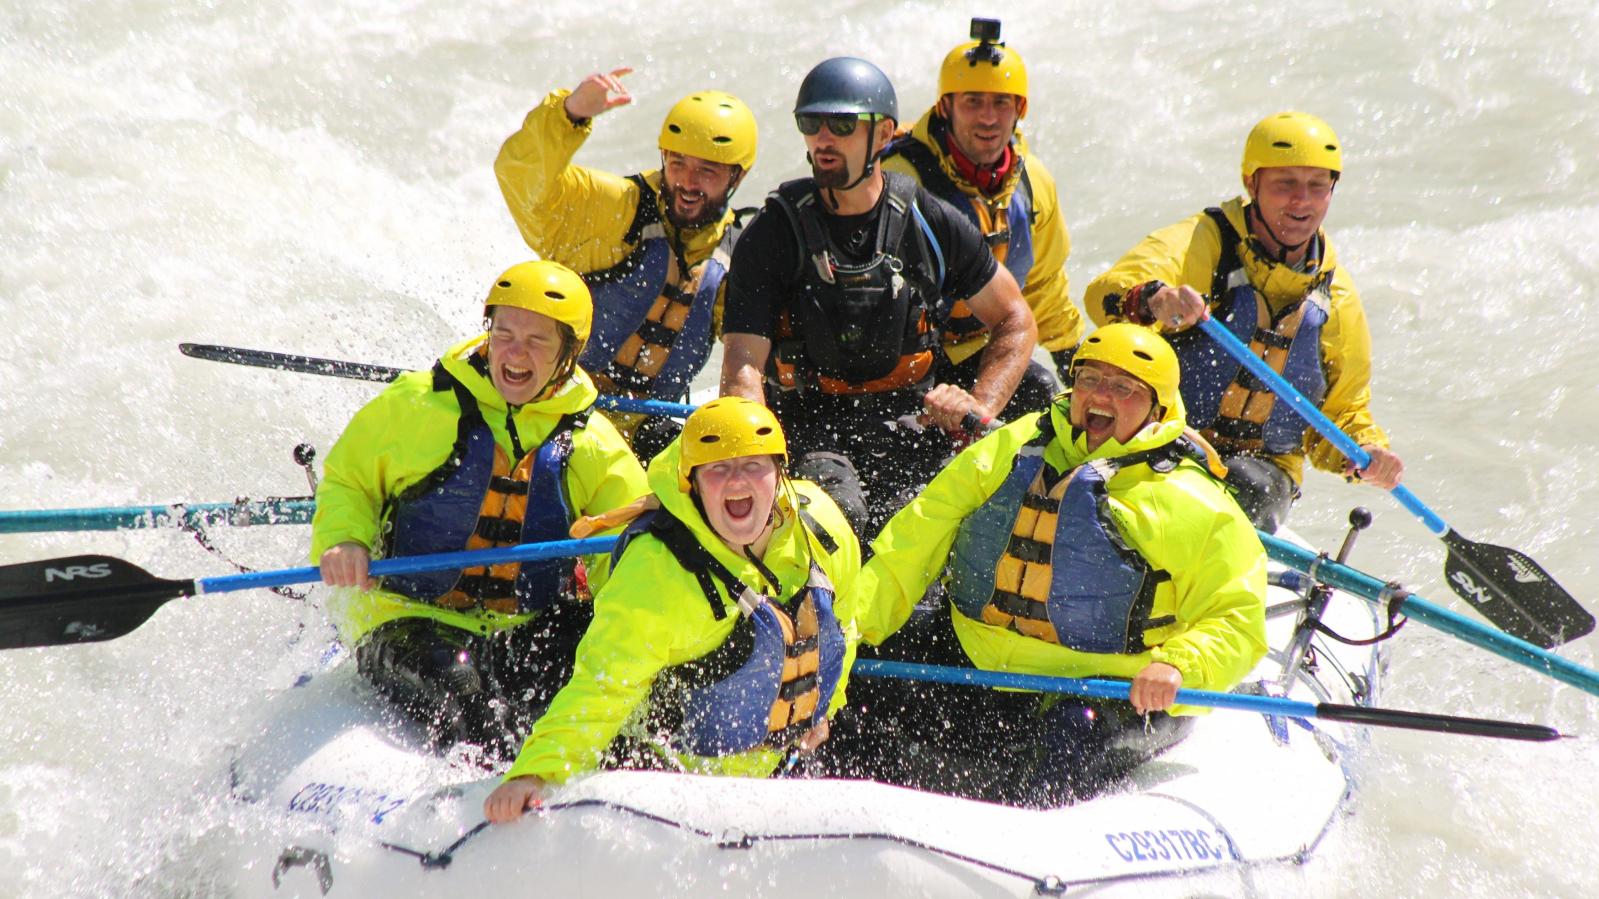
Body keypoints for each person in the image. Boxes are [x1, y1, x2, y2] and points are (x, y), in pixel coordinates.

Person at [826, 324, 1268, 806]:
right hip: (981, 652)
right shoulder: (1011, 447)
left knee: (1067, 741)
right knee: (851, 686)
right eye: (1090, 380)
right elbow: (908, 550)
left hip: (1109, 685)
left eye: (1124, 388)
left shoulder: (1192, 500)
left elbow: (1238, 617)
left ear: (1157, 409)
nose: (1102, 396)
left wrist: (1179, 665)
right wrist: (845, 633)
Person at [313, 261, 647, 754]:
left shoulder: (595, 444)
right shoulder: (419, 406)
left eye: (537, 341)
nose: (513, 352)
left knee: (617, 676)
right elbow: (348, 481)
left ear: (569, 354)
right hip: (404, 617)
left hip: (522, 628)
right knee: (466, 693)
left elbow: (630, 551)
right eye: (504, 333)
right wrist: (345, 538)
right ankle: (497, 798)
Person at [483, 397, 861, 823]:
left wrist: (827, 706)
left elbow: (844, 624)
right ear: (692, 482)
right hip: (668, 772)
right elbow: (602, 688)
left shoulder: (824, 531)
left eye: (754, 465)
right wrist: (537, 772)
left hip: (772, 768)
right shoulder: (655, 576)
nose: (737, 481)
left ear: (779, 474)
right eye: (718, 468)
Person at [720, 56, 1037, 536]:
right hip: (808, 428)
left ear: (884, 134)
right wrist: (754, 461)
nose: (823, 139)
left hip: (914, 421)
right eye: (812, 124)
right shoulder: (773, 232)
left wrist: (978, 407)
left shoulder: (928, 219)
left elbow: (1016, 319)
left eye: (842, 125)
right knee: (839, 516)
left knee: (932, 529)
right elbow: (743, 365)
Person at [1083, 111, 1402, 532]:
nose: (1301, 201)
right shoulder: (1203, 241)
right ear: (1252, 183)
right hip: (1163, 436)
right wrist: (1155, 299)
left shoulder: (1337, 302)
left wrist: (1366, 451)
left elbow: (1341, 415)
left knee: (1250, 485)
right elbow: (1107, 292)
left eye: (1316, 186)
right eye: (1285, 183)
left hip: (1262, 473)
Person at [496, 67, 759, 460]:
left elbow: (762, 349)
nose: (688, 182)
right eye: (678, 163)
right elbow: (522, 182)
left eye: (707, 170)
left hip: (645, 435)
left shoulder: (737, 256)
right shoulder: (616, 209)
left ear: (736, 176)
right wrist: (569, 115)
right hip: (560, 412)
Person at [881, 18, 1082, 413]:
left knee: (1041, 395)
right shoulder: (899, 179)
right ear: (946, 106)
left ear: (1019, 110)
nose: (988, 118)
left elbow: (1044, 286)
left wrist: (1075, 362)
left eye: (1001, 103)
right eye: (973, 101)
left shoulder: (1033, 183)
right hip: (903, 359)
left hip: (979, 350)